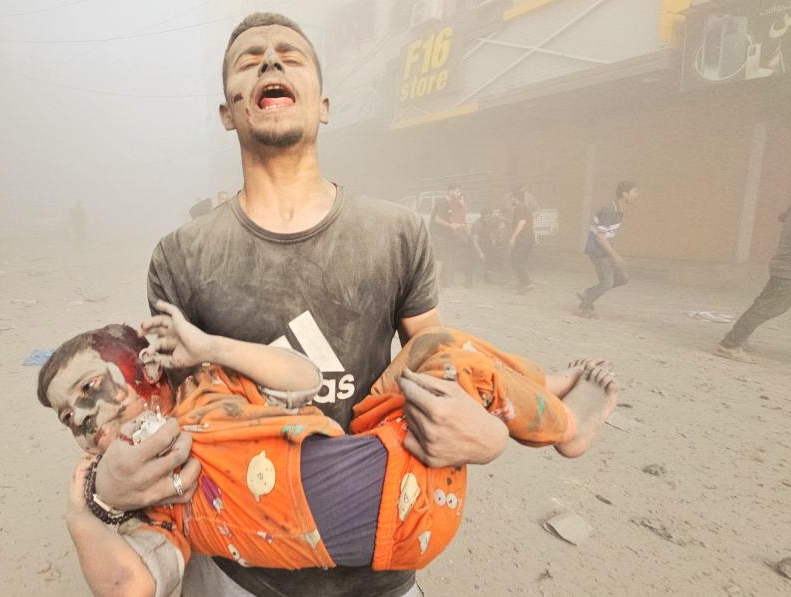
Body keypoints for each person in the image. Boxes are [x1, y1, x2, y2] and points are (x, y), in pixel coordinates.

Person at [91, 12, 512, 597]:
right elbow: (173, 413)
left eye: (290, 54)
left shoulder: (397, 232)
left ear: (324, 104)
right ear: (227, 112)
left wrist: (487, 436)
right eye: (248, 58)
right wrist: (101, 494)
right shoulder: (182, 255)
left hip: (383, 559)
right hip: (242, 569)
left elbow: (436, 363)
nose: (269, 60)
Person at [43, 303, 618, 596]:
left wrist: (211, 345)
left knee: (437, 346)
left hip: (387, 452)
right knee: (462, 368)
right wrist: (83, 513)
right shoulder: (159, 492)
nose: (86, 419)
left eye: (90, 389)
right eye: (70, 418)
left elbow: (303, 377)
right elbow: (132, 585)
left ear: (143, 363)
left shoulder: (211, 383)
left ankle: (551, 404)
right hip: (398, 509)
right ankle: (559, 420)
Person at [715, 199, 791, 363]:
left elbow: (782, 217)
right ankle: (729, 344)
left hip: (784, 267)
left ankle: (737, 338)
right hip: (788, 270)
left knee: (765, 305)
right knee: (767, 307)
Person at [577, 181, 638, 317]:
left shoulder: (618, 210)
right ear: (625, 194)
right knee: (606, 283)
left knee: (622, 278)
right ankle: (585, 304)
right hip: (597, 251)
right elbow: (600, 237)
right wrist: (615, 256)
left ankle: (587, 295)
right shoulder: (609, 210)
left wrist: (613, 255)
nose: (636, 195)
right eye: (634, 192)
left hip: (605, 250)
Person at [430, 184, 468, 288]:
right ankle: (436, 282)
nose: (459, 194)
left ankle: (440, 281)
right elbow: (437, 219)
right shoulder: (443, 202)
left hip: (444, 234)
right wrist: (450, 225)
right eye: (457, 192)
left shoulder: (450, 203)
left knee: (443, 257)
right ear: (450, 191)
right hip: (438, 234)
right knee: (439, 257)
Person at [508, 190, 536, 294]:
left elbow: (522, 222)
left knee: (516, 260)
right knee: (521, 261)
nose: (511, 200)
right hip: (529, 238)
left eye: (511, 198)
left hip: (522, 239)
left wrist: (513, 237)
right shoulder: (526, 206)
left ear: (515, 198)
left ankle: (526, 283)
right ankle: (523, 282)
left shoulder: (519, 207)